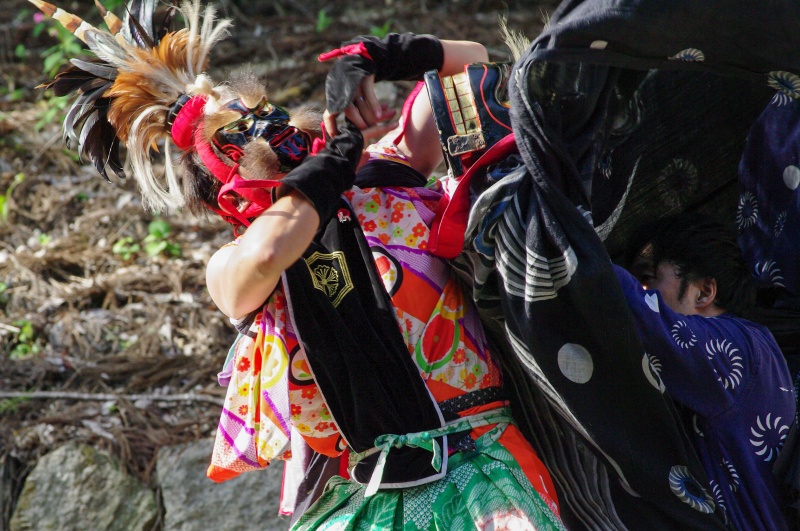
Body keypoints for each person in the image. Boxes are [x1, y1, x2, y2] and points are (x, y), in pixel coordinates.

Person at [28, 0, 564, 528]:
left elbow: (475, 70)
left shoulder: (382, 172)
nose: (270, 127)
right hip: (374, 495)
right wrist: (331, 166)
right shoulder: (233, 264)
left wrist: (384, 57)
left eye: (264, 113)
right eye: (240, 132)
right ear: (222, 183)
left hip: (487, 461)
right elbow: (270, 249)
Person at [617, 212, 795, 530]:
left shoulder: (740, 347)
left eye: (648, 279)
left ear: (703, 292)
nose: (642, 291)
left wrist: (576, 255)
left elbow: (641, 313)